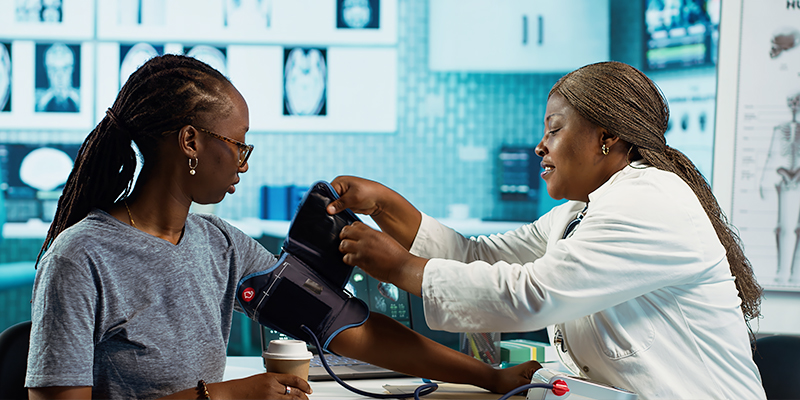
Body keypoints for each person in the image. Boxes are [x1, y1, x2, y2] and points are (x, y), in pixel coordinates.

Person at [25, 54, 539, 399]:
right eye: (238, 144)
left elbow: (349, 327)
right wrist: (223, 395)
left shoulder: (219, 245)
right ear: (190, 142)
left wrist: (490, 378)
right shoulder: (80, 258)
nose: (243, 163)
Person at [329, 61, 767, 399]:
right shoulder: (577, 213)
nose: (540, 145)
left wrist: (401, 268)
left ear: (606, 138)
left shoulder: (650, 201)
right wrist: (384, 205)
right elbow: (478, 257)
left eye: (554, 129)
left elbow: (530, 295)